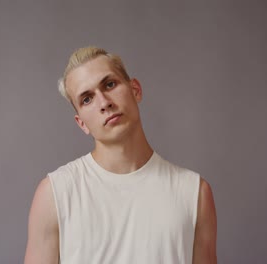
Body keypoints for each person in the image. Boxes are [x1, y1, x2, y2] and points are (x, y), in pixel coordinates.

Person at [24, 47, 217, 264]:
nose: (104, 103)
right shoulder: (54, 194)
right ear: (81, 123)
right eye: (87, 99)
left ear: (135, 90)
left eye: (109, 84)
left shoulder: (194, 193)